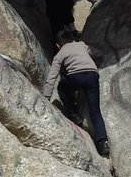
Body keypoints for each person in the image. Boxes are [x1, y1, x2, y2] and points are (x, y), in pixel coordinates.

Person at [41, 26, 110, 158]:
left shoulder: (60, 54)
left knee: (62, 87)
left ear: (58, 45)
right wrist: (96, 66)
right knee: (95, 111)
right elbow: (99, 54)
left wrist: (45, 98)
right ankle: (103, 142)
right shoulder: (82, 45)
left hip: (76, 78)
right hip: (92, 76)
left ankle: (74, 116)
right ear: (73, 40)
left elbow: (52, 77)